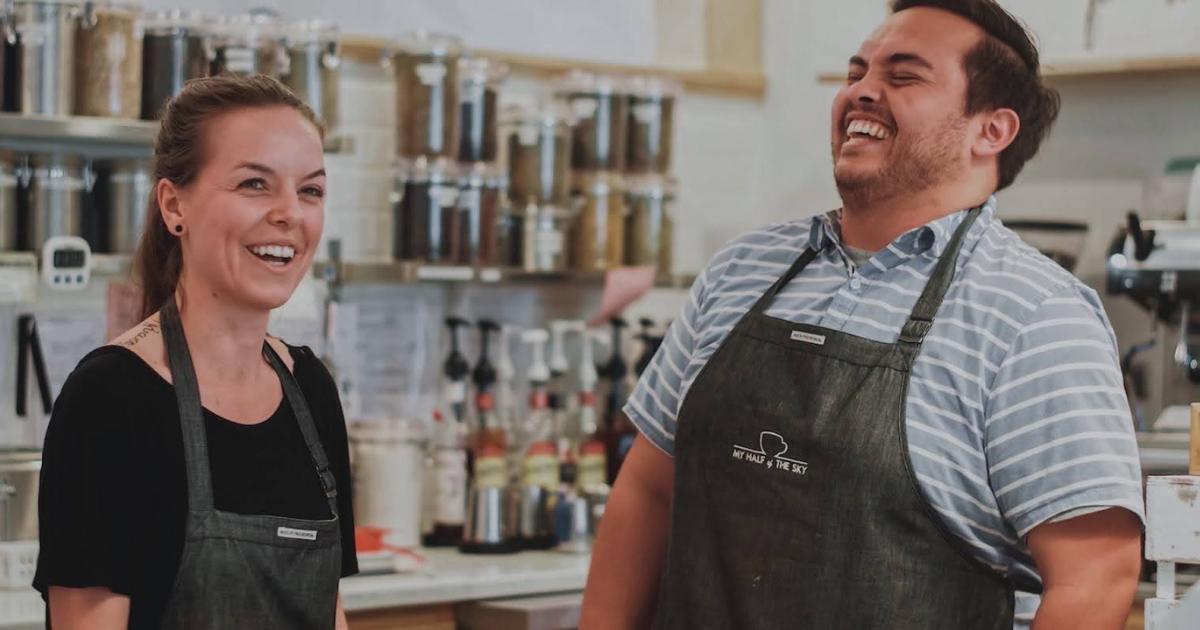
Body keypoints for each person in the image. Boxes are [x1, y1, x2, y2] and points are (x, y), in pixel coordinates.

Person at [581, 1, 1145, 629]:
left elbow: (1096, 575)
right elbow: (650, 489)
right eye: (857, 73)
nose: (863, 92)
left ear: (992, 131)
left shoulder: (1035, 316)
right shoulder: (743, 268)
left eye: (903, 77)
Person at [33, 75, 357, 629]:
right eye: (255, 184)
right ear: (173, 204)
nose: (290, 214)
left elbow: (330, 614)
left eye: (311, 190)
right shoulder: (111, 398)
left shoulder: (310, 389)